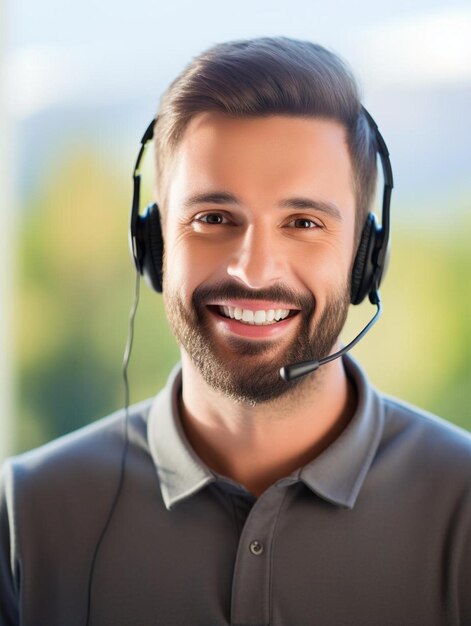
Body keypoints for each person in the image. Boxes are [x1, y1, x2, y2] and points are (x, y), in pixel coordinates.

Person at [1, 36, 470, 626]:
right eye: (213, 218)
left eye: (303, 222)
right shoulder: (25, 515)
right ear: (154, 243)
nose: (253, 269)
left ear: (365, 257)